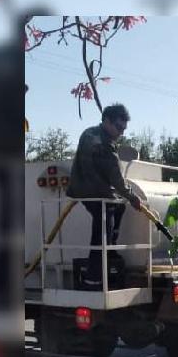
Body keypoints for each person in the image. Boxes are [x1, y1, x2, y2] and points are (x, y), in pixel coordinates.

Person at [66, 103, 143, 288]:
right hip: (93, 191)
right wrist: (132, 197)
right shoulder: (105, 145)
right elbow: (116, 178)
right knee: (103, 225)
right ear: (106, 121)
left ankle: (110, 250)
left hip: (85, 189)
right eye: (118, 127)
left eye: (123, 129)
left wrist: (121, 197)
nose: (121, 133)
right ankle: (94, 276)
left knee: (118, 207)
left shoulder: (89, 133)